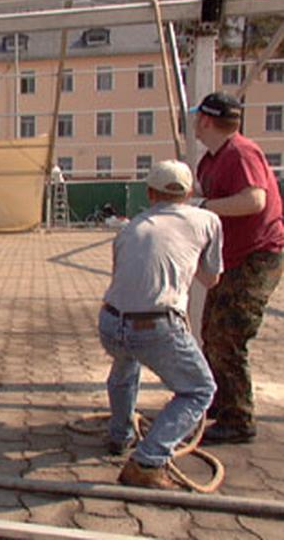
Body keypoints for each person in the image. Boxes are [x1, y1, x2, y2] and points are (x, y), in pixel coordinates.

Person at [99, 160, 222, 489]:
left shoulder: (130, 228)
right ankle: (148, 460)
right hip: (156, 327)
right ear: (190, 193)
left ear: (150, 193)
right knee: (199, 390)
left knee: (126, 363)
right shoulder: (207, 220)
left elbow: (124, 279)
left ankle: (120, 435)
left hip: (111, 322)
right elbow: (210, 279)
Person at [192, 92, 284, 444]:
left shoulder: (241, 153)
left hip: (258, 256)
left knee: (227, 335)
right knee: (210, 331)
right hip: (234, 257)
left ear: (206, 120)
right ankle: (219, 400)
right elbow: (203, 192)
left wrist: (204, 205)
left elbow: (254, 200)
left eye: (197, 118)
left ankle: (239, 418)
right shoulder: (211, 160)